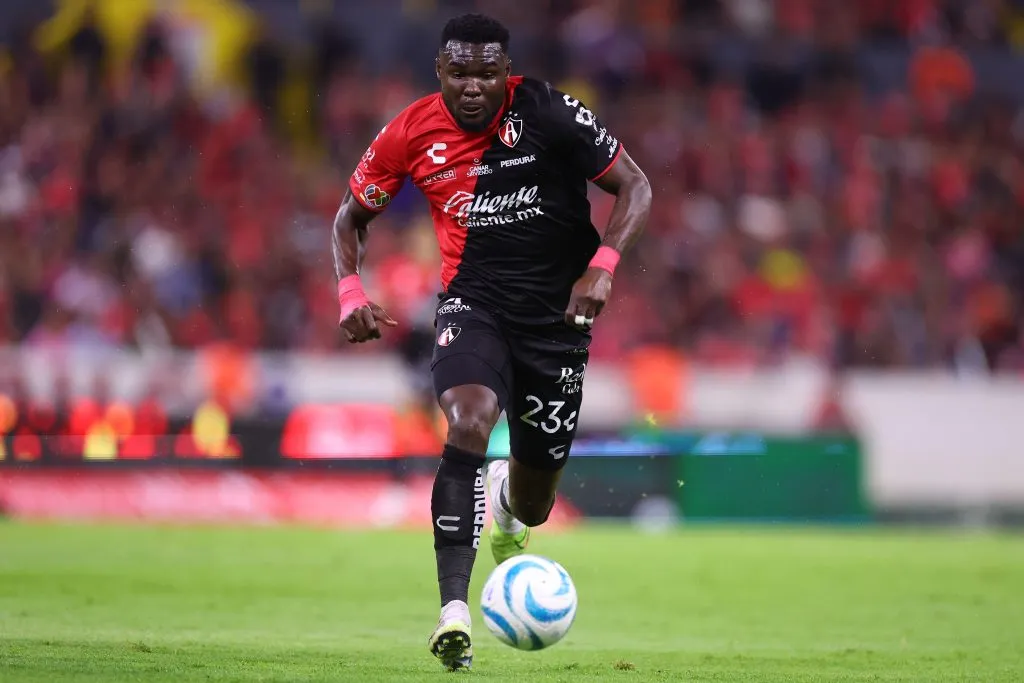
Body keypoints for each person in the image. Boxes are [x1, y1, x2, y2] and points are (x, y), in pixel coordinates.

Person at [332, 13, 651, 671]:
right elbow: (350, 217)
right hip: (472, 306)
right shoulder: (409, 131)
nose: (472, 86)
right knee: (469, 420)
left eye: (486, 73)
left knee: (536, 503)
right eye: (459, 73)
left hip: (556, 325)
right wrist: (350, 291)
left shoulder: (551, 112)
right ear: (439, 71)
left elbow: (635, 186)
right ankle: (453, 612)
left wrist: (603, 266)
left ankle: (507, 499)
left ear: (507, 72)